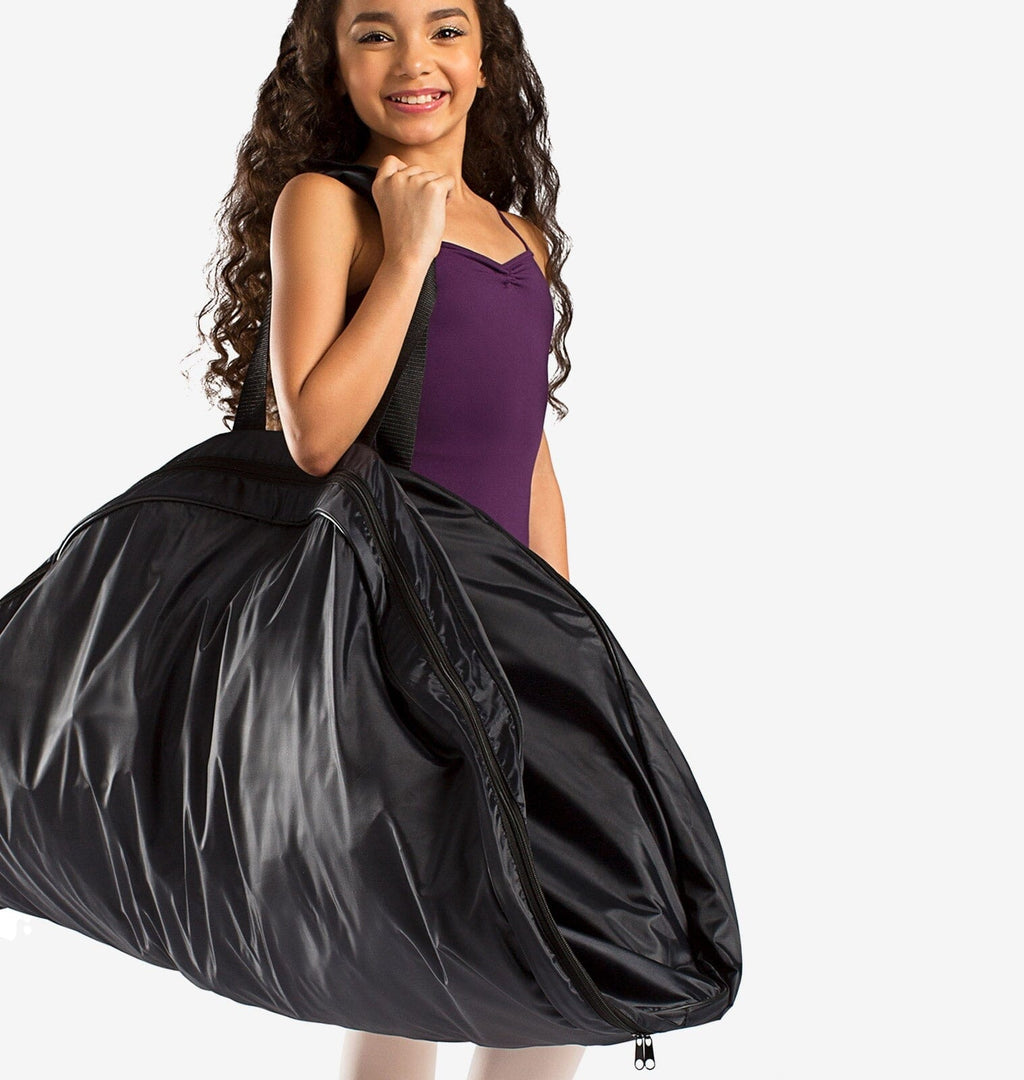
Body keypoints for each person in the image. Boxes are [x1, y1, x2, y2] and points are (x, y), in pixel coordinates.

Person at [194, 1, 584, 1076]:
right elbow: (315, 432)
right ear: (333, 61)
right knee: (415, 962)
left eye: (445, 30)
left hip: (510, 634)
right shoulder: (326, 204)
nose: (415, 60)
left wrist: (566, 639)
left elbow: (526, 450)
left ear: (486, 62)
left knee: (555, 963)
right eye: (375, 32)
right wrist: (407, 254)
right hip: (395, 633)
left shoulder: (520, 239)